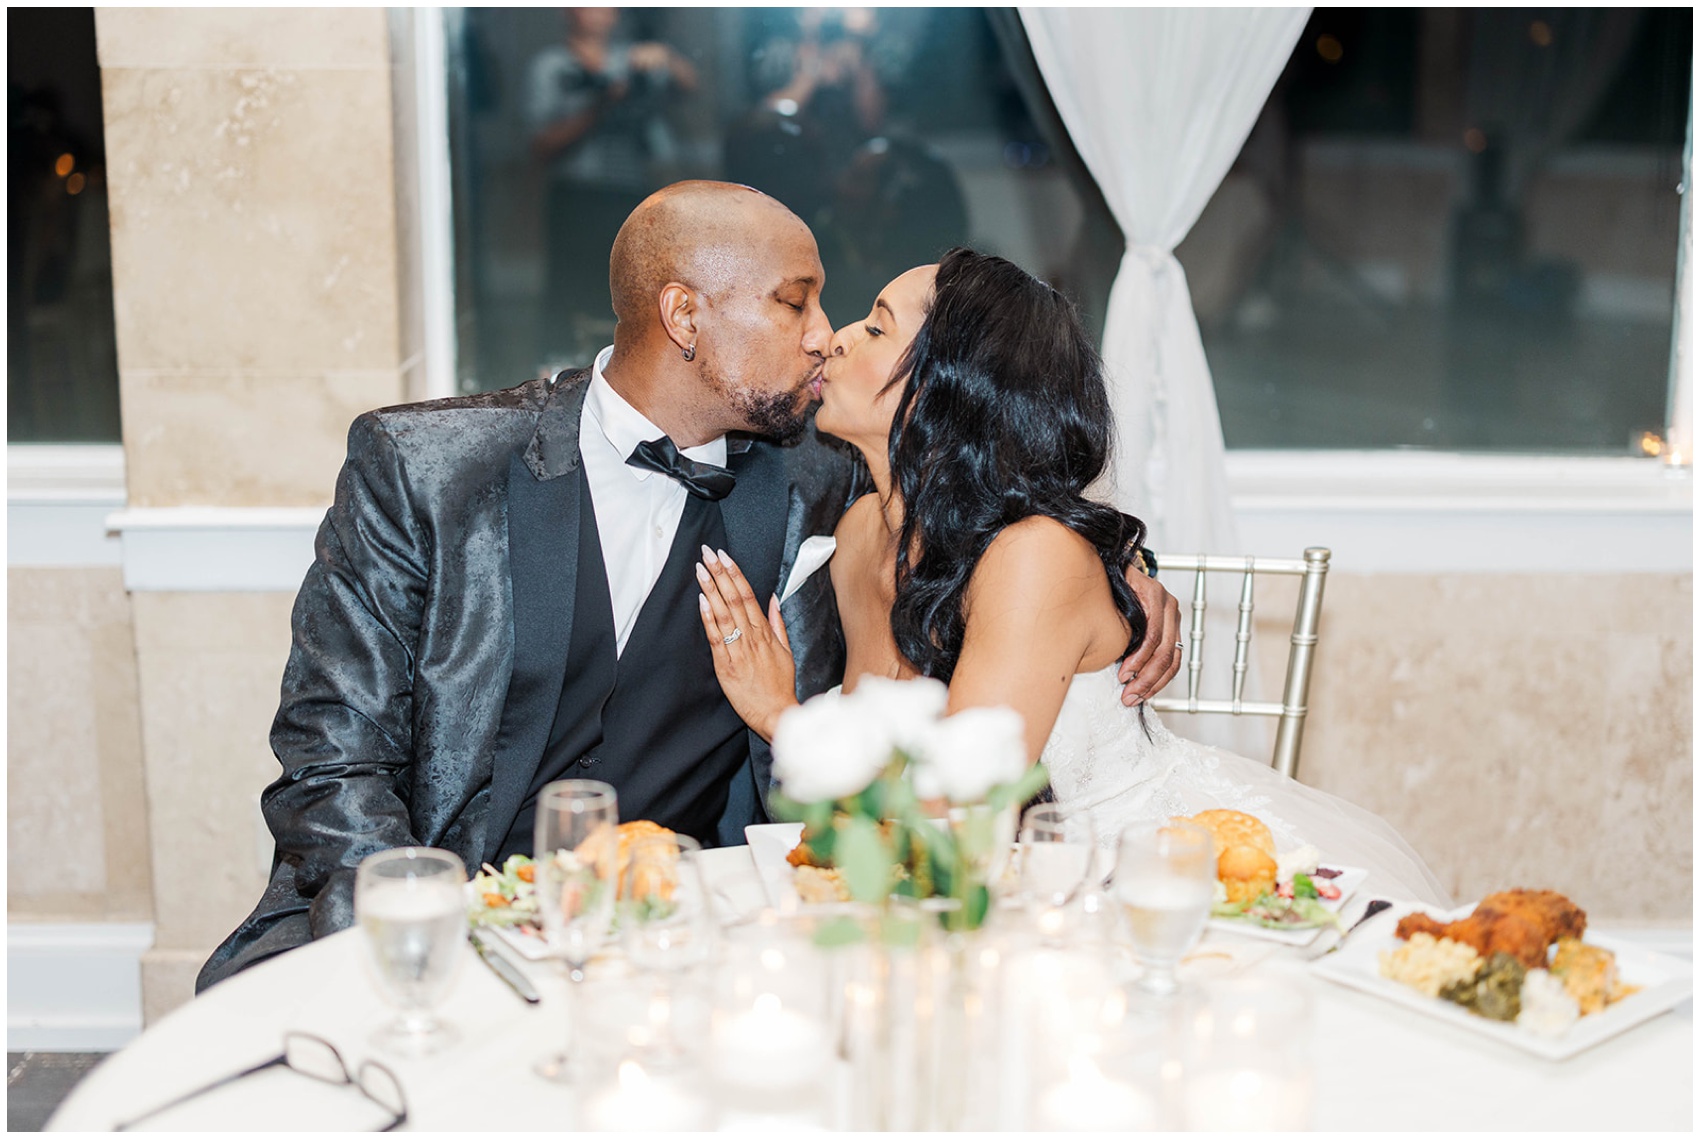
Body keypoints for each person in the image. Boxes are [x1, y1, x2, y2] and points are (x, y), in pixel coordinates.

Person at [200, 187, 1184, 991]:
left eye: (837, 312)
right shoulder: (424, 467)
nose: (822, 338)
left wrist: (1123, 579)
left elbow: (994, 504)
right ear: (684, 315)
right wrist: (430, 921)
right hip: (436, 918)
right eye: (794, 303)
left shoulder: (817, 480)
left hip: (687, 931)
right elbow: (327, 753)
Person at [695, 248, 1450, 905]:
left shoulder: (1035, 557)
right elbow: (889, 778)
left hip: (1131, 876)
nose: (833, 340)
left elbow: (962, 807)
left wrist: (780, 716)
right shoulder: (863, 532)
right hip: (978, 881)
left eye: (876, 324)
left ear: (943, 388)